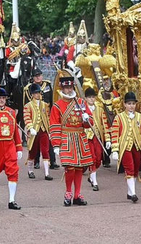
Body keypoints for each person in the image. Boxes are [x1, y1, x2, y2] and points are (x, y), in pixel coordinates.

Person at [49, 76, 93, 206]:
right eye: (66, 88)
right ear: (62, 88)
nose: (69, 90)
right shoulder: (57, 106)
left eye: (70, 87)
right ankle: (68, 192)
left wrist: (87, 119)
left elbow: (90, 123)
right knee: (70, 167)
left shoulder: (81, 102)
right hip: (66, 137)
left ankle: (77, 194)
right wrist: (56, 144)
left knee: (80, 167)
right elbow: (54, 124)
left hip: (80, 136)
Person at [111, 92, 141, 203]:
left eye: (133, 103)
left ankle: (129, 192)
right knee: (130, 169)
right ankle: (133, 193)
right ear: (124, 104)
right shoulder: (119, 117)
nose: (131, 106)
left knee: (136, 169)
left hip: (136, 146)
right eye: (129, 103)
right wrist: (115, 150)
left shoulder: (140, 117)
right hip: (125, 147)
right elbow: (114, 133)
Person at [23, 67, 58, 170]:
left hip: (46, 115)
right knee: (35, 141)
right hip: (35, 117)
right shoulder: (28, 88)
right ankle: (36, 161)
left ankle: (53, 161)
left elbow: (51, 100)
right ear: (33, 78)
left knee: (49, 140)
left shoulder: (47, 85)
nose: (38, 77)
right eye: (36, 76)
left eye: (39, 75)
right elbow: (26, 103)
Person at [0, 87, 23, 210]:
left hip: (9, 146)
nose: (1, 100)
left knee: (13, 172)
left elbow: (16, 131)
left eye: (3, 98)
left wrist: (19, 147)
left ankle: (11, 200)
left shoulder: (11, 112)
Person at [23, 84, 53, 181]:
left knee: (45, 151)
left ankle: (47, 173)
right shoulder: (28, 106)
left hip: (43, 130)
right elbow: (27, 118)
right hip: (34, 131)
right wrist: (30, 128)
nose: (37, 95)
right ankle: (30, 171)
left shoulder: (45, 105)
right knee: (33, 151)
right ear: (32, 94)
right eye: (36, 93)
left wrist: (49, 130)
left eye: (39, 92)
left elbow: (48, 118)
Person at [84, 87, 111, 191]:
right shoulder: (83, 109)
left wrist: (107, 139)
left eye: (93, 97)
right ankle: (95, 182)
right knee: (92, 158)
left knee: (99, 158)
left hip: (98, 137)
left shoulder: (100, 110)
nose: (91, 99)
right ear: (86, 98)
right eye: (89, 97)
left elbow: (104, 125)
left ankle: (91, 176)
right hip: (88, 137)